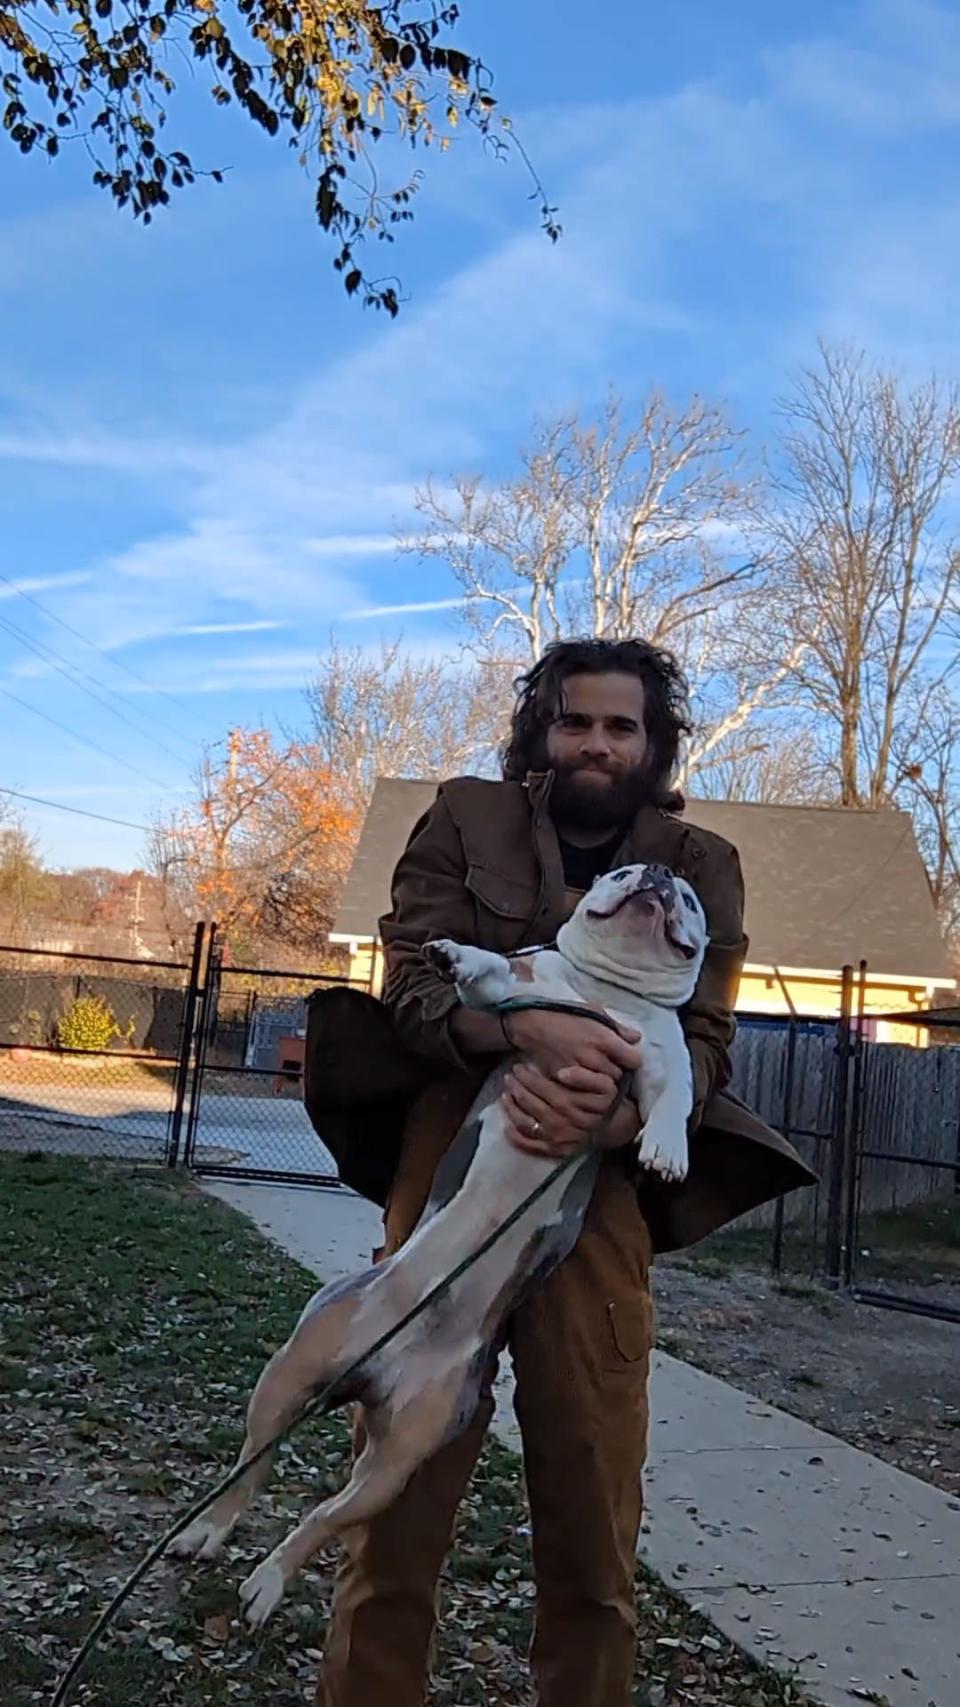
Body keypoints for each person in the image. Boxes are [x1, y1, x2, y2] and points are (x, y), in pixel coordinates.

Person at [315, 636, 813, 1707]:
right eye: (575, 720)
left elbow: (712, 1036)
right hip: (452, 1167)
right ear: (541, 731)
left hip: (604, 1200)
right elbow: (412, 977)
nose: (596, 742)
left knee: (593, 1514)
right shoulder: (462, 815)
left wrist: (611, 1107)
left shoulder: (705, 864)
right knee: (395, 1498)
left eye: (621, 725)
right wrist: (523, 1038)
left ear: (655, 742)